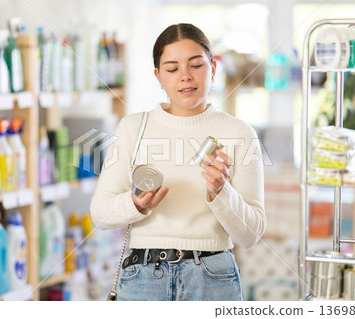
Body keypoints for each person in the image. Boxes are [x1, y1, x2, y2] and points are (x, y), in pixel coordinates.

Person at [90, 23, 266, 301]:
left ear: (213, 68)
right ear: (159, 76)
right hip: (144, 278)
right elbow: (100, 213)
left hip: (212, 278)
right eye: (172, 69)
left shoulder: (239, 133)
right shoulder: (133, 128)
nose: (185, 76)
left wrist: (221, 192)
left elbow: (251, 235)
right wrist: (136, 203)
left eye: (196, 65)